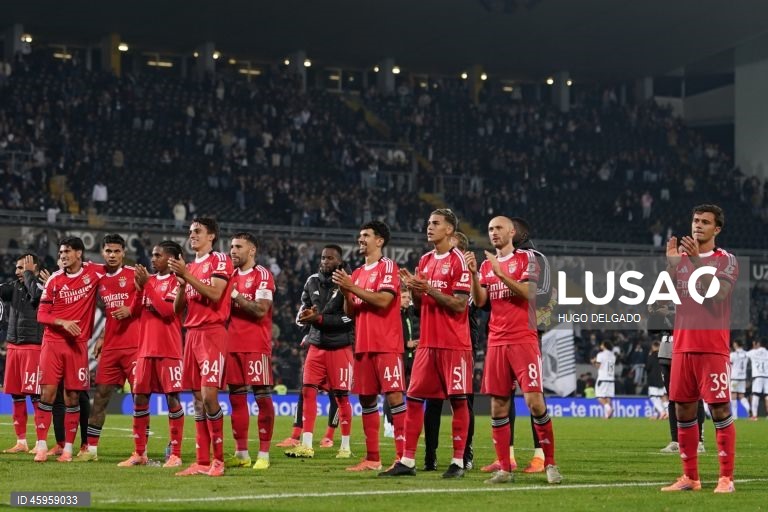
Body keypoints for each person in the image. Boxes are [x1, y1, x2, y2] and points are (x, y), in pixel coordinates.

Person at [467, 215, 561, 485]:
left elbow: (531, 293)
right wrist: (475, 275)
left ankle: (550, 464)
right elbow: (482, 301)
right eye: (490, 229)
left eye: (498, 228)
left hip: (523, 337)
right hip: (496, 340)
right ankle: (505, 469)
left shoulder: (527, 259)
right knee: (498, 406)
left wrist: (500, 273)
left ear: (511, 231)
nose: (493, 233)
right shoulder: (486, 264)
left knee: (534, 402)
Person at [383, 209, 471, 479]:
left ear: (449, 231)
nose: (429, 227)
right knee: (414, 399)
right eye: (428, 222)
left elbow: (459, 304)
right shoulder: (425, 259)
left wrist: (429, 289)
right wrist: (415, 289)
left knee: (458, 401)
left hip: (454, 343)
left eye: (435, 223)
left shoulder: (458, 262)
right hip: (428, 343)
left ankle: (457, 462)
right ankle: (407, 461)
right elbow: (422, 305)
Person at [661, 204, 738, 493]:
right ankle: (690, 478)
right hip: (682, 346)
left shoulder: (725, 259)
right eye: (695, 220)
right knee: (683, 410)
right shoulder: (682, 260)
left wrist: (693, 262)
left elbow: (717, 295)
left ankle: (726, 479)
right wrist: (672, 267)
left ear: (716, 229)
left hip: (711, 347)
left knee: (719, 410)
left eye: (705, 222)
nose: (698, 226)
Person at [332, 221, 406, 472]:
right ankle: (373, 458)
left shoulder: (388, 267)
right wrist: (345, 292)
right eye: (359, 235)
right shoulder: (359, 273)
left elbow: (384, 301)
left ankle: (402, 457)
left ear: (380, 241)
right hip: (363, 343)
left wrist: (351, 286)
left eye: (366, 235)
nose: (360, 239)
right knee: (366, 399)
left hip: (386, 343)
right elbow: (350, 312)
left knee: (394, 396)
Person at [170, 217, 233, 477]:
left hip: (212, 333)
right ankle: (201, 460)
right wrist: (183, 284)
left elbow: (216, 294)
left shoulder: (220, 260)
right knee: (197, 401)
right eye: (190, 232)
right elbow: (176, 309)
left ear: (211, 236)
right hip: (192, 334)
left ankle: (219, 460)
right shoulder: (190, 266)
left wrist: (186, 275)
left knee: (209, 396)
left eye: (197, 231)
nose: (192, 235)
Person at [34, 237, 105, 462]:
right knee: (47, 394)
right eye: (61, 252)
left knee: (73, 396)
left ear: (79, 254)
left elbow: (117, 272)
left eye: (67, 252)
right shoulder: (54, 280)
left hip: (77, 346)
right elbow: (42, 315)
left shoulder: (94, 273)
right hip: (53, 343)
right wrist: (63, 322)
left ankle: (68, 451)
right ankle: (42, 447)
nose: (63, 255)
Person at [118, 241, 186, 468]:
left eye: (158, 255)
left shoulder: (178, 282)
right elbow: (135, 311)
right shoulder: (151, 281)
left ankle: (175, 454)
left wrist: (146, 286)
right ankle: (139, 453)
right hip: (145, 349)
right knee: (139, 398)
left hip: (169, 349)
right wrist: (139, 289)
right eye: (152, 255)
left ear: (171, 258)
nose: (153, 259)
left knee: (172, 399)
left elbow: (168, 312)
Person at [285, 244, 354, 460]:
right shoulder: (311, 281)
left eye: (330, 258)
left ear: (339, 261)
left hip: (340, 347)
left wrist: (320, 319)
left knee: (341, 397)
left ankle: (345, 446)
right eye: (323, 257)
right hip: (316, 345)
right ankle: (306, 444)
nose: (325, 261)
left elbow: (349, 319)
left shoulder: (347, 283)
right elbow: (303, 309)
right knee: (308, 392)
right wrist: (304, 316)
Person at [79, 234, 141, 461]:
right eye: (108, 251)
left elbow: (151, 298)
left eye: (117, 251)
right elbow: (110, 313)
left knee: (139, 398)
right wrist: (103, 336)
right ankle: (91, 450)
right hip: (112, 348)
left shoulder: (135, 275)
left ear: (124, 252)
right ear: (102, 252)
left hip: (134, 346)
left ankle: (140, 451)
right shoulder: (100, 276)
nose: (112, 255)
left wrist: (131, 310)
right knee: (101, 396)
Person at [423, 231, 476, 472]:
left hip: (463, 341)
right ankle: (429, 455)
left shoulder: (466, 271)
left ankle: (465, 453)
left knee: (462, 400)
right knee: (433, 402)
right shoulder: (432, 263)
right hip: (435, 339)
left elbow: (467, 305)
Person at [225, 233, 276, 470]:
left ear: (252, 250)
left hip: (256, 345)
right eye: (231, 247)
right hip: (232, 345)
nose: (233, 251)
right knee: (236, 398)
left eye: (238, 247)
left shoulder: (262, 275)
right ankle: (242, 453)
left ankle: (264, 454)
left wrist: (233, 293)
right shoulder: (229, 275)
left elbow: (259, 310)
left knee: (262, 396)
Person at [2, 254, 44, 453]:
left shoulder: (43, 284)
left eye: (22, 268)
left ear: (33, 267)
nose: (17, 271)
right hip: (14, 346)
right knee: (17, 397)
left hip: (33, 347)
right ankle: (21, 442)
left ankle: (40, 442)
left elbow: (36, 295)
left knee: (36, 396)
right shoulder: (15, 287)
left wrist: (29, 275)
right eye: (17, 268)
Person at [593, 341, 616, 419]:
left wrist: (593, 361)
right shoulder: (613, 355)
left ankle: (609, 409)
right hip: (611, 378)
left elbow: (598, 366)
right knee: (607, 397)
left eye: (602, 344)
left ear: (604, 346)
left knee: (599, 396)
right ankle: (607, 415)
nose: (600, 345)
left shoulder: (600, 354)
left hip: (603, 378)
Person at [646, 341, 669, 420]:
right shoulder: (663, 355)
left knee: (653, 397)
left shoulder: (651, 355)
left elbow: (648, 367)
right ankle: (666, 413)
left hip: (653, 380)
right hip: (662, 379)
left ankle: (662, 412)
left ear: (653, 347)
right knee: (663, 397)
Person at [747, 339, 768, 420]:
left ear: (758, 343)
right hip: (767, 376)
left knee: (756, 395)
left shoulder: (753, 352)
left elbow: (745, 355)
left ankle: (754, 416)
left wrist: (753, 347)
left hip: (758, 377)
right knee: (767, 396)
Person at [729, 340, 750, 419]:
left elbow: (730, 365)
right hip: (742, 377)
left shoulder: (733, 355)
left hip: (735, 378)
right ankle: (748, 409)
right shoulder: (746, 354)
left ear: (735, 344)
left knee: (733, 395)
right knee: (741, 396)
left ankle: (735, 416)